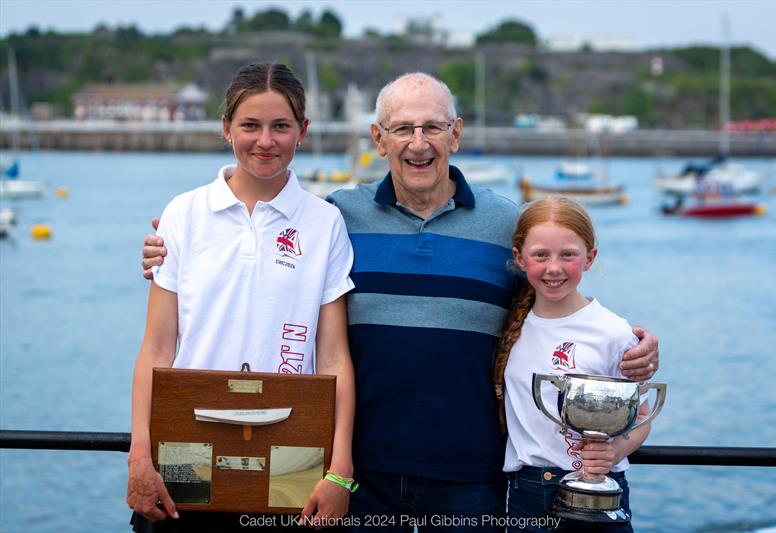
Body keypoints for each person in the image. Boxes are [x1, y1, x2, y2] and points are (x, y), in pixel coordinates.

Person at [142, 72, 659, 532]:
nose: (419, 143)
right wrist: (170, 249)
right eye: (403, 129)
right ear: (378, 138)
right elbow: (261, 241)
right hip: (360, 474)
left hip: (470, 474)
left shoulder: (507, 225)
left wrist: (627, 344)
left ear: (455, 134)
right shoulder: (336, 217)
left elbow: (557, 290)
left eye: (432, 127)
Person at [128, 62, 356, 532]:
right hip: (186, 438)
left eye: (281, 126)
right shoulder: (184, 213)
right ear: (226, 127)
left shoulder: (324, 222)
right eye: (250, 125)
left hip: (293, 443)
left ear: (303, 131)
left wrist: (340, 470)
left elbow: (333, 357)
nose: (265, 141)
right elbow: (157, 348)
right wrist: (139, 454)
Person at [494, 196, 652, 532]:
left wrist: (613, 450)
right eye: (540, 255)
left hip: (600, 494)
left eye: (568, 254)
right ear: (519, 258)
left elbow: (641, 417)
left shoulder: (613, 332)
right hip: (526, 495)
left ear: (590, 257)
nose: (554, 268)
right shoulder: (510, 326)